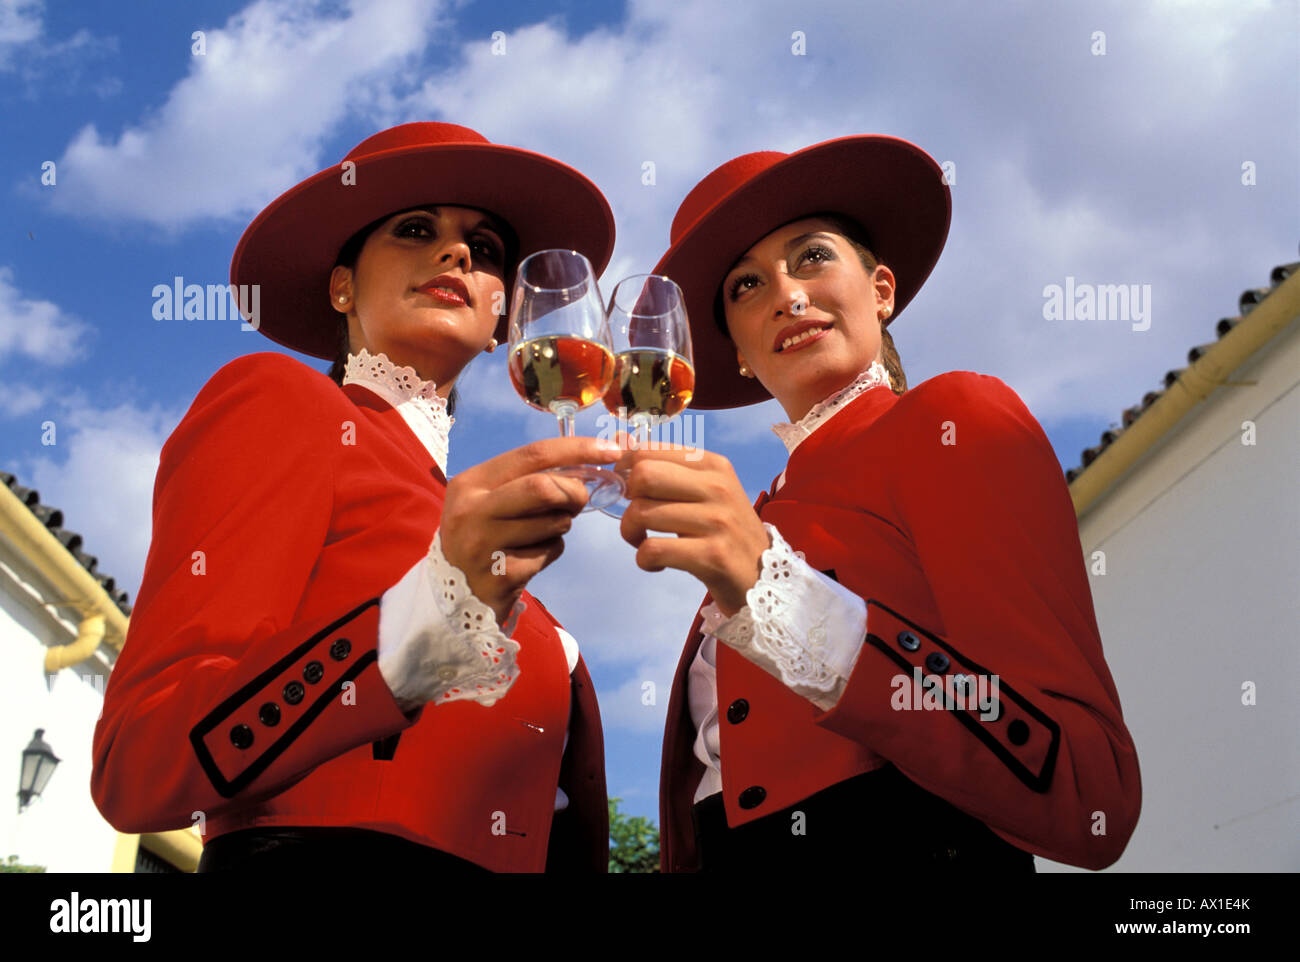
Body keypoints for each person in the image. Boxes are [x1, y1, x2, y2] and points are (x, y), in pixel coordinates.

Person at [91, 122, 620, 873]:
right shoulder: (280, 402)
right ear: (342, 285)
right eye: (414, 230)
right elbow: (137, 764)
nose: (459, 253)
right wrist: (423, 619)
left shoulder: (510, 573)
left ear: (507, 316)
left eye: (487, 249)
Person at [616, 136, 1142, 871]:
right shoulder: (758, 513)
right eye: (746, 286)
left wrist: (781, 596)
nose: (788, 295)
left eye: (812, 257)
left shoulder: (957, 419)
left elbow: (1093, 798)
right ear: (734, 348)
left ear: (882, 290)